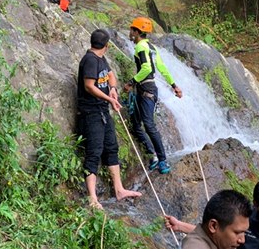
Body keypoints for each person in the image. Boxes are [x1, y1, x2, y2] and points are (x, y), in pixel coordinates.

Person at [77, 29, 142, 209]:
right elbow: (89, 86)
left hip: (103, 112)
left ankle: (119, 189)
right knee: (94, 152)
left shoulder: (100, 59)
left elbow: (110, 74)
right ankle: (93, 198)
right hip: (91, 114)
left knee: (111, 148)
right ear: (106, 46)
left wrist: (112, 89)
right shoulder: (90, 60)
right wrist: (109, 99)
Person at [123, 16, 183, 174]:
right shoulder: (152, 48)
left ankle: (163, 160)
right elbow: (162, 69)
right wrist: (174, 85)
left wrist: (131, 82)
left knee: (148, 125)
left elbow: (147, 68)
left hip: (146, 90)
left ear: (137, 32)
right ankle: (153, 154)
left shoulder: (141, 48)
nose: (130, 32)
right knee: (136, 125)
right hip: (147, 90)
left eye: (132, 30)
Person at [166, 189, 252, 249]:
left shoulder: (198, 241)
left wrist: (180, 225)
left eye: (244, 232)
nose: (242, 240)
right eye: (237, 232)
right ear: (213, 226)